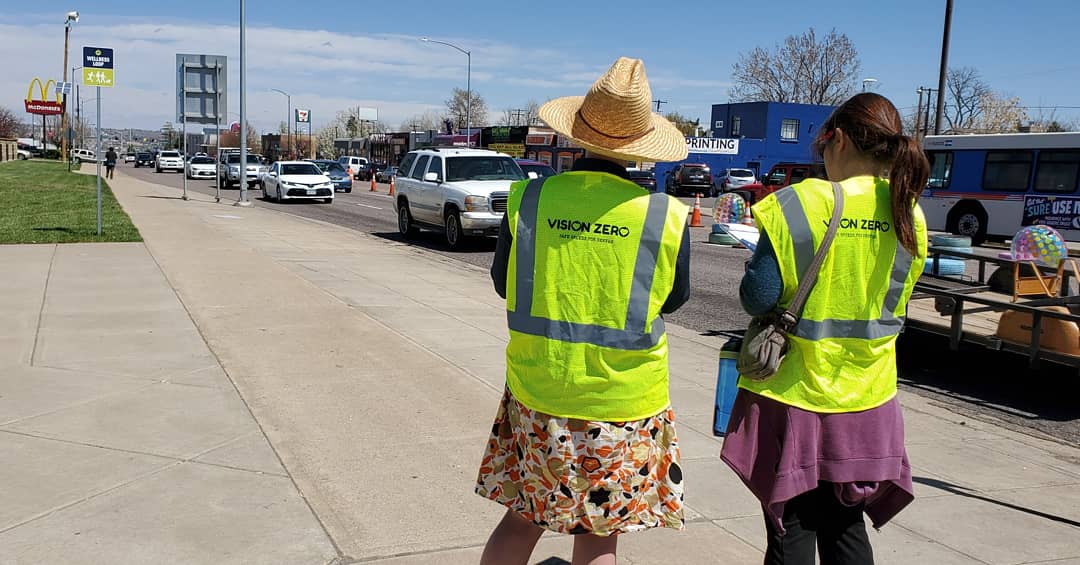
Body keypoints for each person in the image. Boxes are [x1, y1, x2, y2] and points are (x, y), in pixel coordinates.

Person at [476, 57, 692, 565]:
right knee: (598, 536)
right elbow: (674, 299)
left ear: (576, 135)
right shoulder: (663, 215)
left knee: (523, 517)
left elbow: (500, 281)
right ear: (641, 148)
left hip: (538, 389)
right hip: (624, 401)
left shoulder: (529, 198)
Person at [720, 92, 930, 564]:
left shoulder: (801, 203)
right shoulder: (907, 211)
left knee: (791, 528)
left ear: (833, 139)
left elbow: (757, 295)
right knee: (844, 525)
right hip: (870, 398)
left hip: (796, 395)